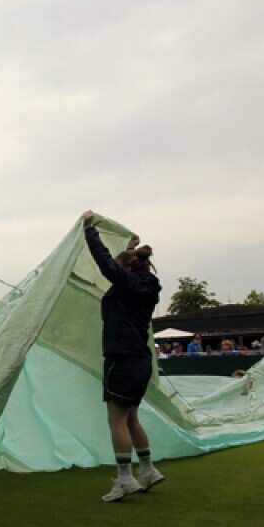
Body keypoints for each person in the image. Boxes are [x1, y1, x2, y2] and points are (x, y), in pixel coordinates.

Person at [82, 211, 164, 503]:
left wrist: (89, 231)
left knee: (116, 419)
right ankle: (148, 469)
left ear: (125, 269)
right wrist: (130, 245)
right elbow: (124, 265)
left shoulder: (126, 285)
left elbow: (105, 263)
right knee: (131, 418)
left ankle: (125, 478)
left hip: (122, 357)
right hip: (141, 359)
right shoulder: (148, 286)